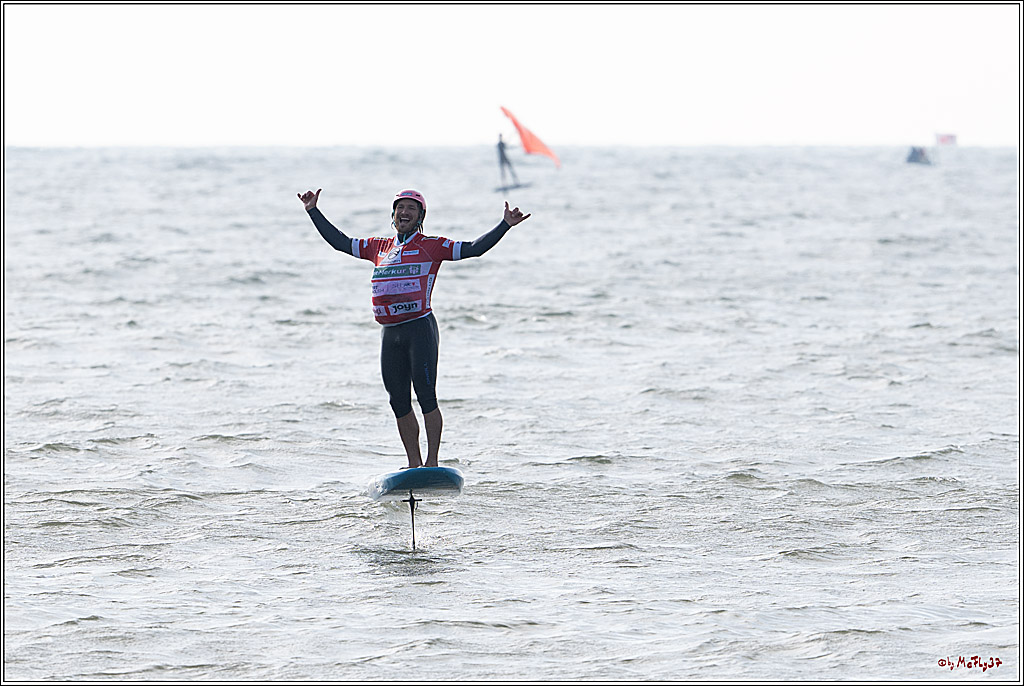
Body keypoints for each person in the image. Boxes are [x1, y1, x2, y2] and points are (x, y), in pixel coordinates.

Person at [297, 188, 531, 469]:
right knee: (398, 401)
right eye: (400, 208)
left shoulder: (432, 246)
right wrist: (313, 210)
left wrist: (504, 224)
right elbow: (340, 242)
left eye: (411, 208)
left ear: (421, 216)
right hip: (390, 334)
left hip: (420, 329)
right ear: (393, 215)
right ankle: (413, 463)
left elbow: (473, 249)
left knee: (426, 395)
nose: (404, 212)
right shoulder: (378, 247)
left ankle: (432, 462)